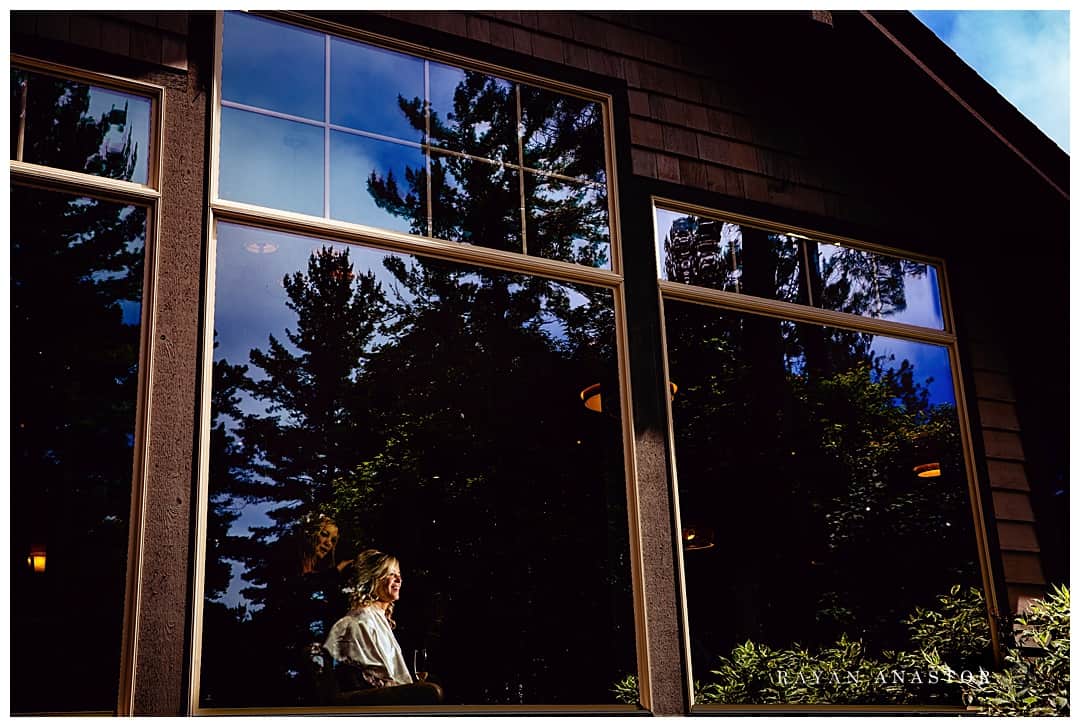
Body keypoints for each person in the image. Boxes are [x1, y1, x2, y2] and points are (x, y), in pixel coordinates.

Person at [323, 549, 443, 705]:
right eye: (391, 574)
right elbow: (369, 683)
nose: (399, 578)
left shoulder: (378, 618)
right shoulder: (360, 622)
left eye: (398, 573)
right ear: (373, 579)